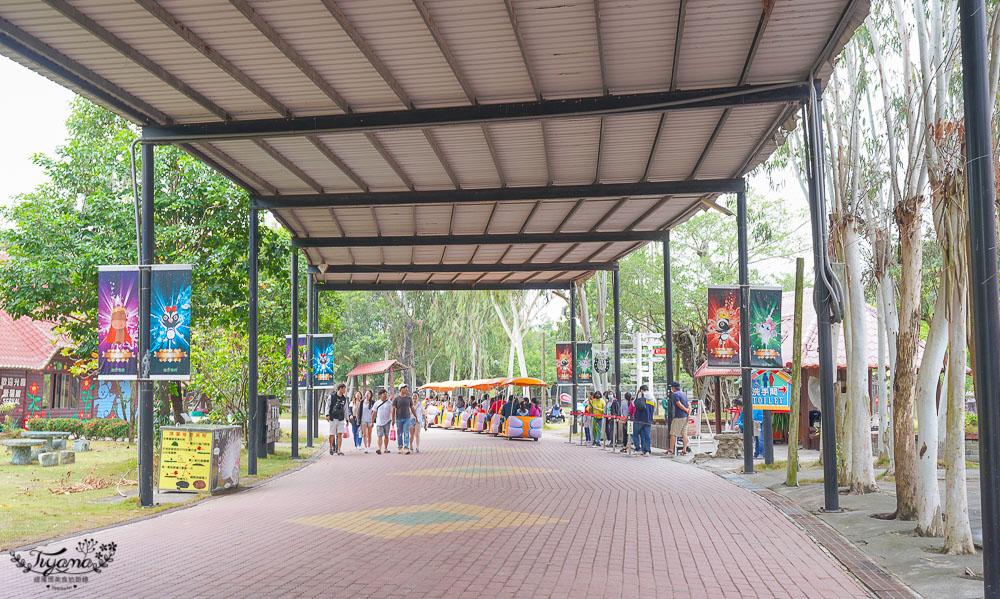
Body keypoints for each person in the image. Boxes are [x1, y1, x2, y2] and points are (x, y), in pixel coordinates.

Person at [392, 384, 417, 454]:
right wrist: (393, 419)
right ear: (400, 389)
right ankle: (400, 447)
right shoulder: (396, 399)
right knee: (399, 433)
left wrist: (416, 417)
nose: (406, 389)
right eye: (404, 388)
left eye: (406, 388)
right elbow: (393, 409)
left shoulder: (409, 399)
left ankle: (406, 447)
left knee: (406, 433)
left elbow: (412, 408)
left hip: (407, 418)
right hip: (398, 419)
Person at [667, 381, 690, 456]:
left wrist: (685, 410)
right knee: (684, 433)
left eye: (671, 387)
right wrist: (688, 412)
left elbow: (678, 404)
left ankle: (671, 450)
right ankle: (684, 450)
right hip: (685, 417)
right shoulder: (684, 394)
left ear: (674, 388)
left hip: (679, 416)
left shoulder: (675, 394)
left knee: (673, 433)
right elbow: (688, 404)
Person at [325, 383, 348, 456]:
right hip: (332, 418)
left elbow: (345, 409)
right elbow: (327, 406)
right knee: (331, 434)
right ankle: (331, 448)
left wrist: (347, 419)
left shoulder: (344, 399)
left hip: (340, 418)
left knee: (339, 434)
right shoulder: (332, 396)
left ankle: (338, 450)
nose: (344, 390)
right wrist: (327, 415)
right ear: (340, 388)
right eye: (344, 388)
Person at [632, 385, 654, 455]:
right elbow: (654, 409)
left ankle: (638, 448)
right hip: (648, 419)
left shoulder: (639, 396)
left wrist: (638, 394)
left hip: (639, 419)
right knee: (647, 435)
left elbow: (633, 404)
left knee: (634, 434)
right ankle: (647, 450)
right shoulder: (653, 398)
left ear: (641, 390)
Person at [373, 388, 393, 454]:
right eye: (384, 394)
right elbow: (374, 412)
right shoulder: (377, 403)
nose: (385, 395)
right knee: (379, 436)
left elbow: (392, 412)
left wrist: (393, 420)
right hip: (379, 422)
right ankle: (379, 448)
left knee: (386, 435)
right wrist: (372, 421)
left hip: (387, 421)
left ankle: (386, 448)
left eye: (386, 394)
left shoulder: (390, 403)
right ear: (380, 395)